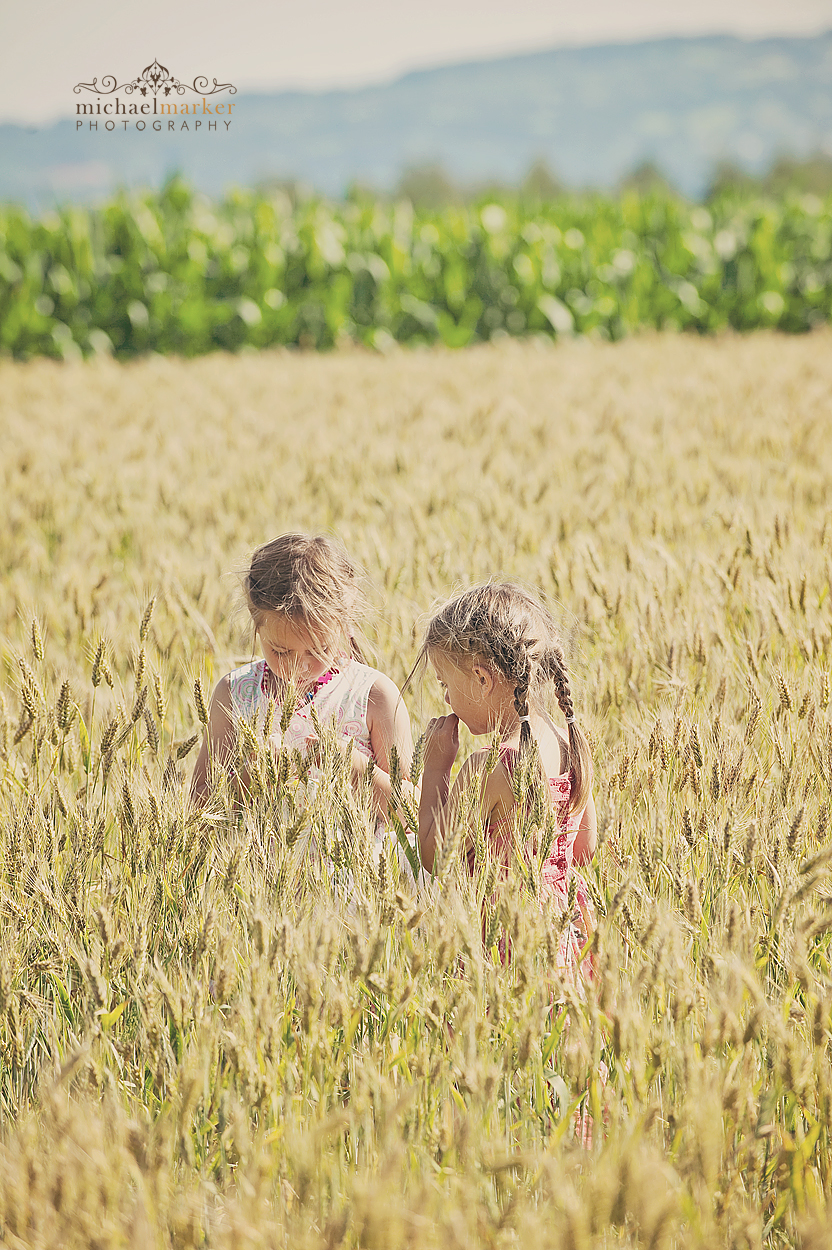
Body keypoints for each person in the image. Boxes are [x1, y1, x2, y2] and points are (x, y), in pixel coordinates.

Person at [416, 582, 596, 973]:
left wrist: (435, 769)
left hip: (506, 937)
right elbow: (584, 848)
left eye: (447, 685)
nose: (446, 699)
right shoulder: (570, 743)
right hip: (565, 932)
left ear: (482, 679)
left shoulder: (489, 768)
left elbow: (434, 855)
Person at [190, 533, 414, 820]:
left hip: (352, 864)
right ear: (257, 624)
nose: (299, 667)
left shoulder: (374, 697)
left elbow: (413, 814)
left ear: (344, 622)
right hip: (259, 865)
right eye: (281, 652)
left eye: (318, 650)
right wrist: (251, 777)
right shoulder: (235, 694)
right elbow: (198, 812)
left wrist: (354, 768)